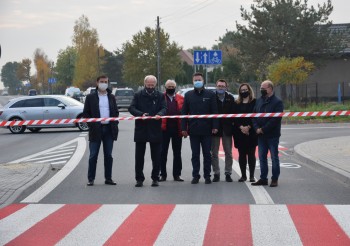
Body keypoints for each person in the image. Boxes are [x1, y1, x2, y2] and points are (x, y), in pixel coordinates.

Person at [129, 75, 167, 187]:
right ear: (144, 84)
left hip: (155, 128)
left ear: (155, 84)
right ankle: (139, 179)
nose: (150, 87)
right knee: (139, 156)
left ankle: (155, 178)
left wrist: (160, 114)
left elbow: (164, 108)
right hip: (141, 128)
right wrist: (141, 114)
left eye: (152, 85)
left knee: (156, 157)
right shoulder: (138, 95)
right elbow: (131, 108)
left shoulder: (160, 95)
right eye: (148, 84)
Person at [181, 72, 219, 184]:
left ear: (203, 81)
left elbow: (215, 111)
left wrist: (215, 126)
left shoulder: (210, 94)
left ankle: (207, 175)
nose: (197, 81)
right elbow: (184, 113)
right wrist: (184, 128)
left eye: (199, 80)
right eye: (195, 80)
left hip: (207, 130)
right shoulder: (188, 95)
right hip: (193, 130)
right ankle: (195, 175)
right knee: (195, 154)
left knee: (207, 154)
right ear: (193, 81)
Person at [83, 75, 119, 186]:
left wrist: (114, 123)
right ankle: (91, 178)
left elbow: (116, 112)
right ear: (97, 83)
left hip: (109, 129)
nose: (104, 83)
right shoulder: (90, 97)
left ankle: (108, 178)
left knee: (108, 155)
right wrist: (92, 125)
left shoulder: (111, 97)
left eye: (106, 82)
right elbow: (86, 113)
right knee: (93, 155)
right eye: (102, 81)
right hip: (96, 130)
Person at [252, 80, 284, 187]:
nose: (261, 90)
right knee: (262, 157)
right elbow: (254, 115)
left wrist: (263, 129)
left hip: (272, 135)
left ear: (270, 88)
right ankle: (263, 178)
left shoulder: (277, 102)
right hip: (260, 135)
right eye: (261, 87)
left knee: (274, 157)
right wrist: (256, 128)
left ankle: (274, 179)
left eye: (264, 88)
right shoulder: (259, 100)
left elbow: (275, 120)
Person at [160, 79, 185, 182]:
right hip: (164, 129)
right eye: (168, 87)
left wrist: (185, 128)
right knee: (162, 153)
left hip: (177, 128)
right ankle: (163, 175)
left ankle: (177, 175)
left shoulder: (181, 98)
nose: (170, 88)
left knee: (177, 153)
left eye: (172, 86)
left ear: (175, 87)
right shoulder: (161, 97)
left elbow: (185, 113)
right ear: (165, 87)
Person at [211, 79, 235, 182]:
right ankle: (216, 173)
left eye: (222, 86)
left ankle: (228, 173)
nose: (221, 88)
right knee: (214, 153)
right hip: (215, 129)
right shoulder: (212, 97)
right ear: (216, 86)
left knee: (228, 153)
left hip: (227, 129)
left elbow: (234, 113)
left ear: (226, 87)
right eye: (219, 86)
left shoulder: (230, 98)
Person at [233, 83, 258, 182]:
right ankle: (243, 175)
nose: (244, 92)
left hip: (251, 131)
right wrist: (241, 127)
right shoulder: (237, 103)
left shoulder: (255, 102)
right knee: (242, 154)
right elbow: (234, 117)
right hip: (239, 132)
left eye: (245, 90)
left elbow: (256, 115)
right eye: (242, 90)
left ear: (249, 90)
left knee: (251, 154)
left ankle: (251, 176)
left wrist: (248, 127)